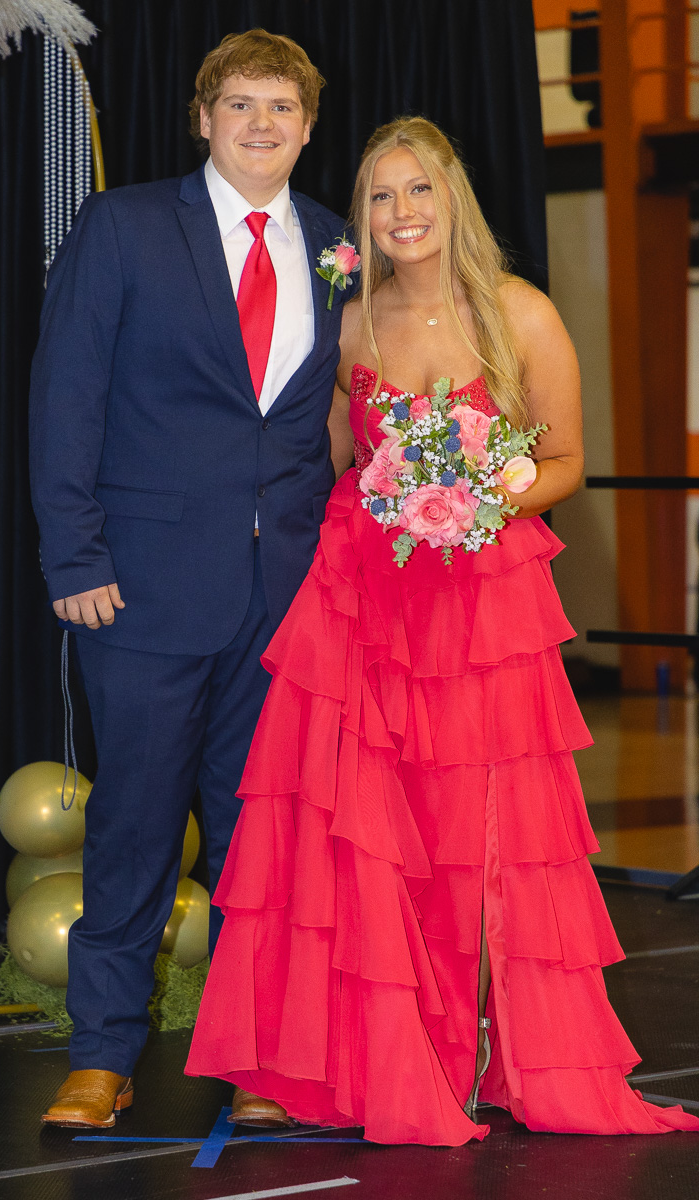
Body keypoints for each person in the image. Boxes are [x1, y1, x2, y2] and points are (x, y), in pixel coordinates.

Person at [185, 117, 699, 1145]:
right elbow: (322, 460)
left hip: (478, 609)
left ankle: (487, 1048)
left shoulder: (517, 314)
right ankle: (369, 1055)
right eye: (379, 197)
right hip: (360, 604)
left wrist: (476, 494)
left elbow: (559, 464)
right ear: (361, 220)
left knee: (478, 837)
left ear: (451, 196)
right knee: (366, 834)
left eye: (416, 190)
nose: (400, 213)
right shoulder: (353, 328)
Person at [29, 29, 347, 1130]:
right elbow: (65, 393)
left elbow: (332, 423)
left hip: (288, 599)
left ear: (308, 128)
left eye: (281, 108)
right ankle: (103, 1057)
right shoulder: (121, 227)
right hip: (142, 590)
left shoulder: (332, 243)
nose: (261, 125)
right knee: (133, 827)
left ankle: (258, 1058)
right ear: (202, 119)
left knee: (264, 837)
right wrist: (74, 556)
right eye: (240, 105)